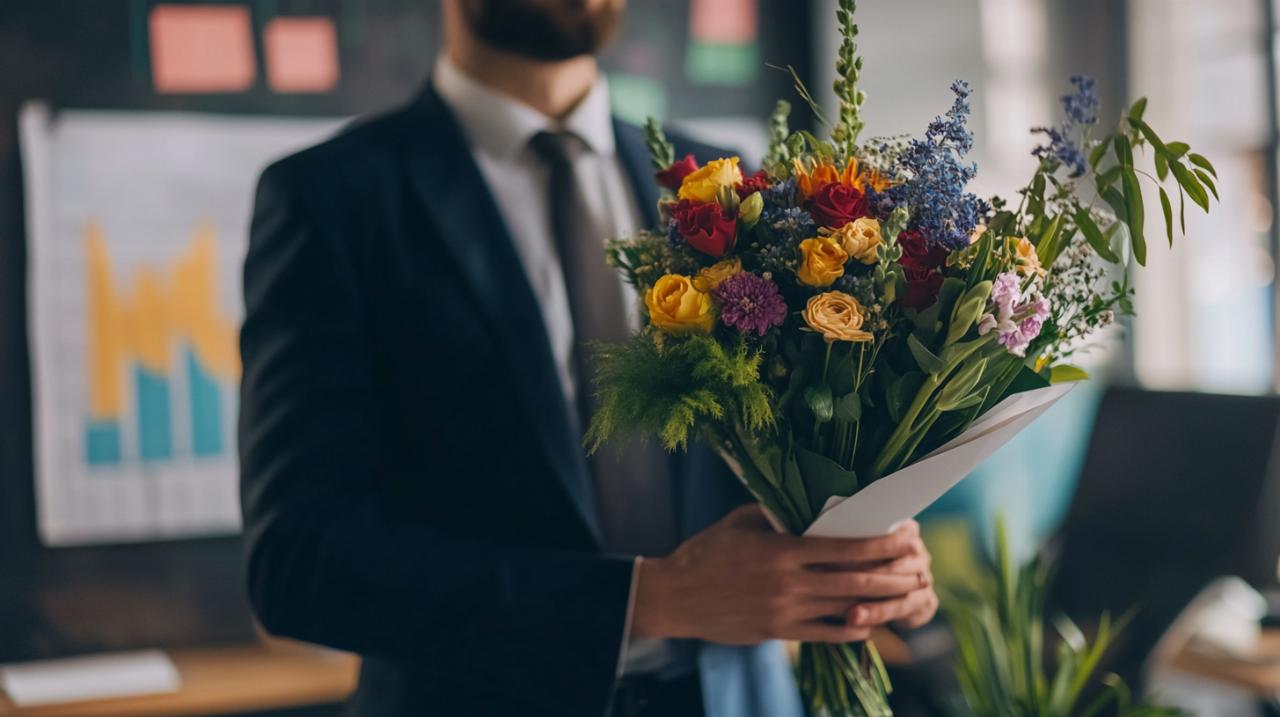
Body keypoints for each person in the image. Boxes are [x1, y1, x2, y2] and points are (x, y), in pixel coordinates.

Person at [237, 1, 938, 715]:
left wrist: (866, 552)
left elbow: (792, 457)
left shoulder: (731, 188)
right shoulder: (331, 198)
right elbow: (297, 562)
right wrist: (648, 600)